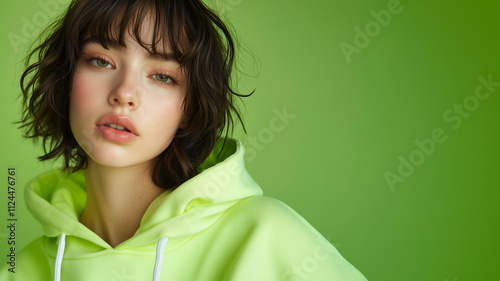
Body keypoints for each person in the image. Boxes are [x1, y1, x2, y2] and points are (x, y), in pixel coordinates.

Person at [1, 0, 368, 280]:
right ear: (65, 79)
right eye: (101, 61)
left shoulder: (267, 236)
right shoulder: (19, 269)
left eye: (162, 76)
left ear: (189, 108)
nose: (124, 93)